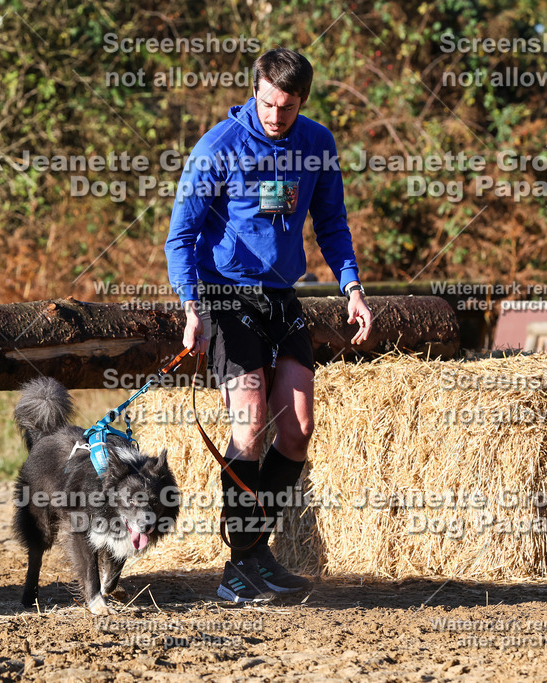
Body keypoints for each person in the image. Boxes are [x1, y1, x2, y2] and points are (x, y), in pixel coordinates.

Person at [165, 47, 373, 603]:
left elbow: (331, 224)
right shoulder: (218, 148)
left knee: (298, 427)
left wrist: (351, 285)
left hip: (282, 296)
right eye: (266, 102)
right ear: (255, 88)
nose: (274, 116)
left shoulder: (316, 144)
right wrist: (192, 306)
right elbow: (179, 237)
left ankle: (258, 552)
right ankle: (237, 566)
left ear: (302, 100)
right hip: (226, 295)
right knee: (250, 423)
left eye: (286, 107)